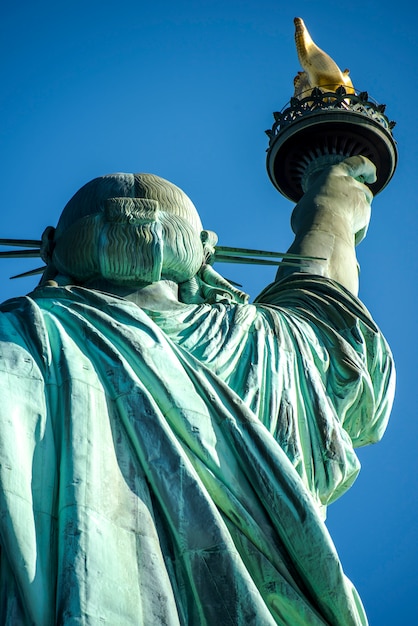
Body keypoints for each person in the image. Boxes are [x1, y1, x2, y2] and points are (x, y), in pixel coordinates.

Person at [0, 156, 394, 625]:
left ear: (50, 248)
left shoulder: (16, 336)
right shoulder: (271, 350)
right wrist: (332, 203)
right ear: (206, 252)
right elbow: (323, 289)